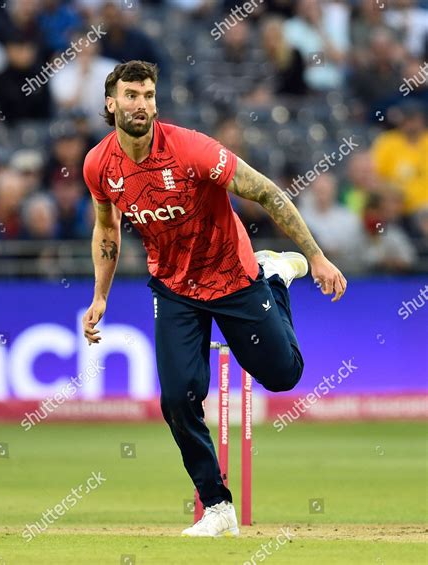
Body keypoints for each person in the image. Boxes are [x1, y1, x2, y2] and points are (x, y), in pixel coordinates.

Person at [81, 60, 346, 538]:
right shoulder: (99, 165)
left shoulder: (191, 149)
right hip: (173, 287)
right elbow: (107, 228)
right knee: (178, 398)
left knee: (283, 376)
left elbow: (267, 193)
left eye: (147, 95)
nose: (140, 104)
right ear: (110, 103)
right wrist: (100, 296)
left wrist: (317, 258)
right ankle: (217, 505)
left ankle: (276, 275)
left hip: (233, 276)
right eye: (131, 95)